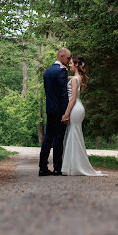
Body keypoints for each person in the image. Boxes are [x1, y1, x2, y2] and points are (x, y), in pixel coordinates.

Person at [61, 55, 107, 176]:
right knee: (73, 136)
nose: (69, 65)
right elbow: (68, 78)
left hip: (75, 108)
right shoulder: (77, 77)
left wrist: (66, 114)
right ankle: (72, 166)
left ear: (76, 64)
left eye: (71, 63)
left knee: (74, 136)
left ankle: (76, 166)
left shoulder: (76, 79)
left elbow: (72, 99)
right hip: (78, 108)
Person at [38, 48, 71, 176]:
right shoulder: (61, 71)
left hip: (49, 109)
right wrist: (66, 113)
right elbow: (63, 94)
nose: (68, 61)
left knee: (47, 138)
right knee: (58, 138)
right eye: (68, 58)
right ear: (61, 56)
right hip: (59, 110)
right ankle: (57, 168)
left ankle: (42, 168)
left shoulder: (47, 72)